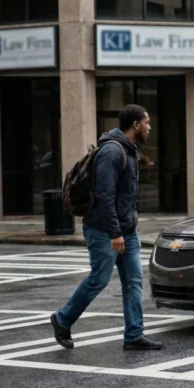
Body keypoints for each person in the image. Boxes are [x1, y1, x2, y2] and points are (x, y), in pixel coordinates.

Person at [50, 104, 163, 351]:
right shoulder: (112, 152)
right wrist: (115, 232)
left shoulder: (129, 150)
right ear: (135, 125)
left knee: (133, 281)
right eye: (147, 123)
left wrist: (126, 227)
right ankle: (62, 319)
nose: (149, 127)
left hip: (127, 229)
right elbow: (104, 195)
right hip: (105, 229)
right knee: (99, 279)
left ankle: (134, 335)